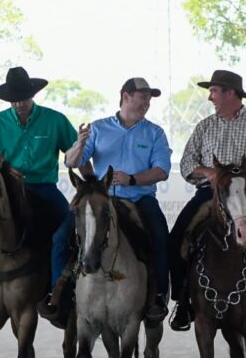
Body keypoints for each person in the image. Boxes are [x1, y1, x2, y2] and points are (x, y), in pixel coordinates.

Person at [167, 69, 246, 332]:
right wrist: (209, 172)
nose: (210, 97)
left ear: (230, 93)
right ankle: (183, 303)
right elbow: (186, 163)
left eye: (214, 91)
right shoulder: (204, 126)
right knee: (175, 240)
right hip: (210, 195)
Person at [42, 77, 172, 327]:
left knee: (159, 236)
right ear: (126, 96)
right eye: (143, 96)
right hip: (100, 200)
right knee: (60, 237)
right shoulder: (99, 128)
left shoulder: (155, 133)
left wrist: (132, 179)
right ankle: (57, 295)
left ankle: (157, 298)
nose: (147, 103)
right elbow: (71, 161)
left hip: (140, 198)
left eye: (149, 98)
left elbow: (161, 170)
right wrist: (80, 144)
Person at [0, 67, 78, 312]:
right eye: (15, 99)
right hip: (5, 191)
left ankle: (62, 290)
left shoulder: (55, 120)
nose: (20, 103)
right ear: (8, 100)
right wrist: (5, 168)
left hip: (43, 187)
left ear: (33, 95)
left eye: (24, 97)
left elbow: (74, 153)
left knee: (70, 226)